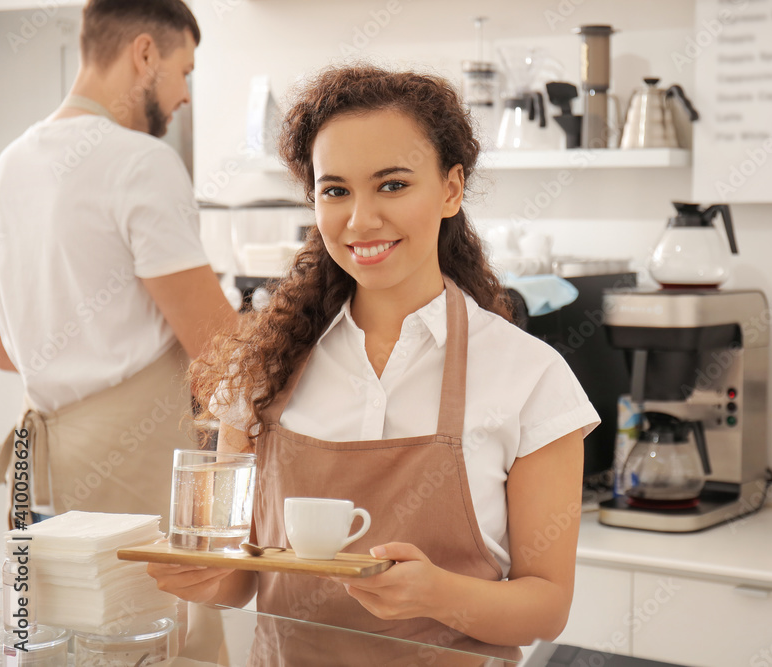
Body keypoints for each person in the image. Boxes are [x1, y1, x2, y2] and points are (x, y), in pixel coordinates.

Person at [149, 65, 600, 665]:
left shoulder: (531, 377)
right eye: (335, 190)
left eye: (391, 185)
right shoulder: (265, 370)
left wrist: (439, 594)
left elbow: (546, 605)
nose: (360, 220)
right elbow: (238, 579)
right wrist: (194, 577)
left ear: (451, 189)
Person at [0, 0, 236, 524]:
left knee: (40, 606)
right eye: (183, 73)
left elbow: (7, 347)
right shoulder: (141, 162)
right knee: (152, 606)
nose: (185, 96)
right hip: (131, 468)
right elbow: (218, 351)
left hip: (38, 470)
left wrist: (71, 356)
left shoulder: (9, 164)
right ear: (145, 55)